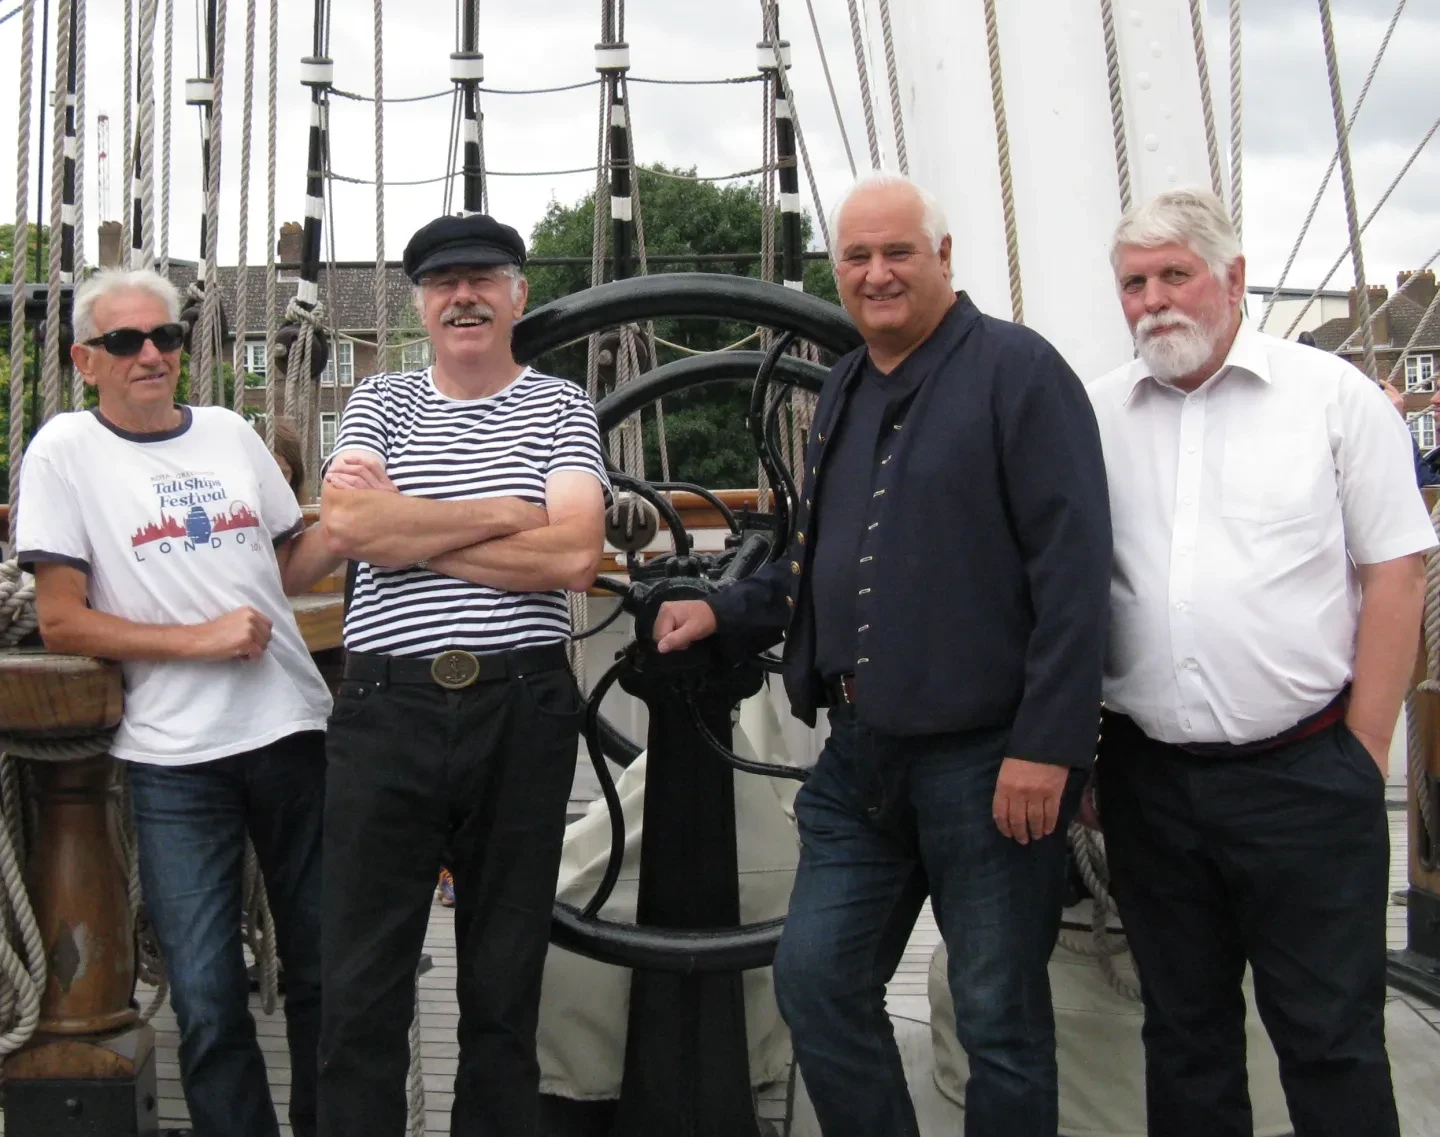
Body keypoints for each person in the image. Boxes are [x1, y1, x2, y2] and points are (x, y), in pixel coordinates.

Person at [653, 172, 1113, 1137]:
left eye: (897, 252)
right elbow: (818, 563)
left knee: (999, 1018)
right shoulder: (847, 388)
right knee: (815, 981)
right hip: (861, 756)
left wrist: (1051, 745)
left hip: (990, 761)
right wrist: (724, 609)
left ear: (944, 258)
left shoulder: (1022, 373)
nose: (875, 274)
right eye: (856, 257)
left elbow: (1074, 576)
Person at [1086, 187, 1434, 1137]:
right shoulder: (1094, 415)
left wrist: (1362, 750)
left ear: (1233, 279)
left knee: (1331, 1041)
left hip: (1307, 774)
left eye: (1174, 275)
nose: (1152, 299)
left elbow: (1396, 575)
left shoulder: (1337, 400)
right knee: (1184, 1037)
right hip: (1151, 781)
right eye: (1133, 283)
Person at [13, 267, 341, 1137]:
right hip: (172, 758)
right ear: (87, 360)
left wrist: (349, 532)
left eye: (165, 337)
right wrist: (200, 640)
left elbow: (284, 567)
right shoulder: (62, 453)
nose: (152, 354)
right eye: (126, 342)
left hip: (290, 728)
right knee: (204, 991)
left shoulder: (232, 433)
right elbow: (59, 619)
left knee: (321, 968)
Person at [315, 213, 608, 1137]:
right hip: (385, 704)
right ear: (421, 302)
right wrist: (500, 510)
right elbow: (351, 530)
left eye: (484, 279)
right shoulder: (379, 401)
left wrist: (415, 528)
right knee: (359, 987)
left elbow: (572, 556)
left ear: (518, 294)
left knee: (503, 986)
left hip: (521, 706)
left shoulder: (563, 406)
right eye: (445, 284)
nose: (464, 296)